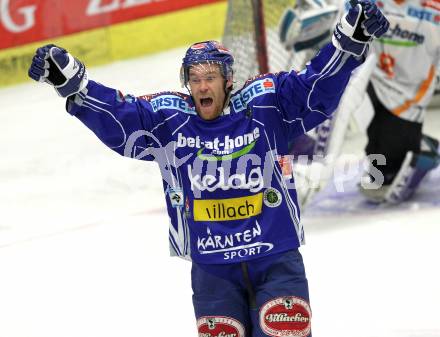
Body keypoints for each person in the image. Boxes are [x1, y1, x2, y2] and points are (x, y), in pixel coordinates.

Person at [27, 2, 388, 336]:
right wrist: (73, 83)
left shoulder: (266, 103)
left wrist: (349, 41)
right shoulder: (169, 119)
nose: (202, 85)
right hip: (212, 268)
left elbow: (314, 89)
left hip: (275, 257)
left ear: (228, 79)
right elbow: (121, 118)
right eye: (195, 78)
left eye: (210, 77)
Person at [358, 0, 440, 203]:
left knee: (390, 167)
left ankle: (419, 145)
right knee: (377, 163)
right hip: (372, 79)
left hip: (410, 93)